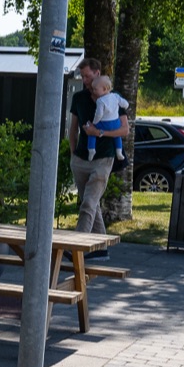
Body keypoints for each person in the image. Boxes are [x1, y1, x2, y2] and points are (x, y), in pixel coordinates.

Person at [68, 58, 115, 238]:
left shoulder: (112, 99)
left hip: (103, 158)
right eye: (82, 76)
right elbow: (73, 127)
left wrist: (99, 133)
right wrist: (73, 153)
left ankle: (77, 247)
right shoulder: (79, 98)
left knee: (88, 203)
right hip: (81, 158)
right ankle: (100, 248)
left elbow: (124, 129)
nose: (84, 80)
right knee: (91, 204)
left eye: (87, 76)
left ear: (97, 73)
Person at [85, 76, 129, 161]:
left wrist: (94, 123)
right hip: (116, 123)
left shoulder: (100, 101)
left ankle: (91, 149)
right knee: (117, 135)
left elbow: (99, 114)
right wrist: (126, 106)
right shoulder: (115, 96)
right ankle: (119, 151)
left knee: (91, 131)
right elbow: (125, 103)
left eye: (95, 89)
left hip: (104, 123)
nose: (93, 91)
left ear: (104, 89)